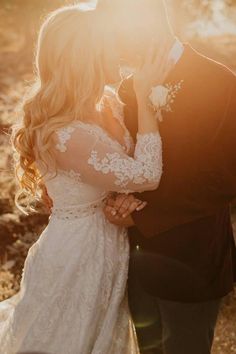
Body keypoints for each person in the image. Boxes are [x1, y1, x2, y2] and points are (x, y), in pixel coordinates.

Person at [0, 3, 173, 354]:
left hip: (110, 247)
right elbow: (146, 174)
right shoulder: (64, 132)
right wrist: (145, 99)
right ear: (87, 55)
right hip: (76, 256)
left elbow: (113, 172)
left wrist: (117, 198)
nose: (119, 50)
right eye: (109, 44)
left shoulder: (107, 101)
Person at [100, 0, 236, 353]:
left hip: (192, 263)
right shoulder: (126, 90)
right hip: (137, 262)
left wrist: (141, 214)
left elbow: (225, 177)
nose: (111, 45)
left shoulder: (219, 81)